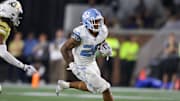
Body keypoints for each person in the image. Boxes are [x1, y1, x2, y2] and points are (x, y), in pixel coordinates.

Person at [56, 8, 114, 101]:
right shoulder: (80, 34)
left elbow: (98, 42)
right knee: (105, 88)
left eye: (99, 21)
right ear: (87, 22)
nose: (98, 24)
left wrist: (104, 48)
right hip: (81, 65)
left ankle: (65, 85)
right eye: (94, 21)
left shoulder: (103, 30)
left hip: (92, 61)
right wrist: (71, 64)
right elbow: (64, 49)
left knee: (93, 88)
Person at [0, 0, 36, 81]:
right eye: (17, 13)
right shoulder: (2, 25)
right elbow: (3, 53)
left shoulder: (4, 24)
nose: (18, 16)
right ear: (11, 12)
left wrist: (23, 66)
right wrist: (23, 66)